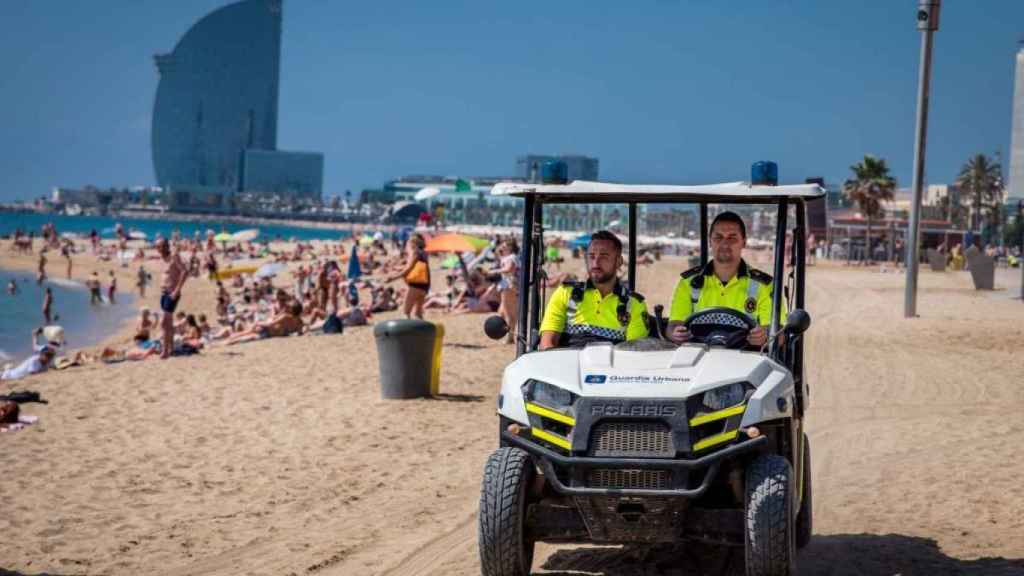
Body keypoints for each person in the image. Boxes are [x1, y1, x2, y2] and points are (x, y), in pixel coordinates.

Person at [667, 211, 775, 348]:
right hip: (697, 360)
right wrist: (676, 333)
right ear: (710, 241)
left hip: (747, 360)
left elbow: (777, 332)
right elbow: (673, 325)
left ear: (744, 242)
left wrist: (764, 335)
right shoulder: (688, 283)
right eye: (718, 237)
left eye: (732, 238)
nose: (724, 244)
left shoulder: (764, 285)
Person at [538, 230, 649, 350]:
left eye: (604, 257)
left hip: (613, 368)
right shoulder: (566, 293)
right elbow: (547, 344)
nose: (595, 263)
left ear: (619, 262)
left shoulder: (634, 304)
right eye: (591, 256)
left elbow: (634, 354)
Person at [157, 238, 188, 359]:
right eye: (157, 247)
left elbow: (185, 271)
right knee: (168, 324)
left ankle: (165, 351)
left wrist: (177, 290)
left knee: (164, 323)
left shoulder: (174, 256)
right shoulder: (163, 258)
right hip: (164, 293)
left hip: (172, 293)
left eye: (159, 246)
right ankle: (171, 349)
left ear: (165, 246)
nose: (157, 249)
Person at [389, 233, 430, 319]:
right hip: (425, 285)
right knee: (418, 314)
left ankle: (407, 332)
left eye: (408, 243)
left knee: (406, 312)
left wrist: (393, 278)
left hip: (416, 285)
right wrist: (398, 268)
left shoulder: (415, 252)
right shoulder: (424, 253)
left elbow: (408, 269)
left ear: (412, 243)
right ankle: (422, 332)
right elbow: (415, 266)